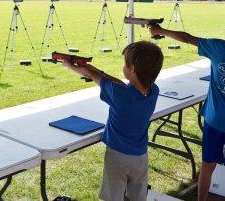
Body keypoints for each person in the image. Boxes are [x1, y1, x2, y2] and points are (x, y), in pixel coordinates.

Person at [148, 6, 225, 201]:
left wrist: (160, 31)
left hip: (214, 121)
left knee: (207, 165)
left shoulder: (219, 48)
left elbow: (187, 38)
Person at [63, 41, 164, 201]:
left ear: (132, 69)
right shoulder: (153, 91)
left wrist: (71, 67)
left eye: (126, 64)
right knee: (138, 197)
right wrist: (96, 69)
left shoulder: (120, 94)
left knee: (113, 197)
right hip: (140, 157)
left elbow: (95, 78)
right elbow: (119, 84)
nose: (123, 67)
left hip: (117, 157)